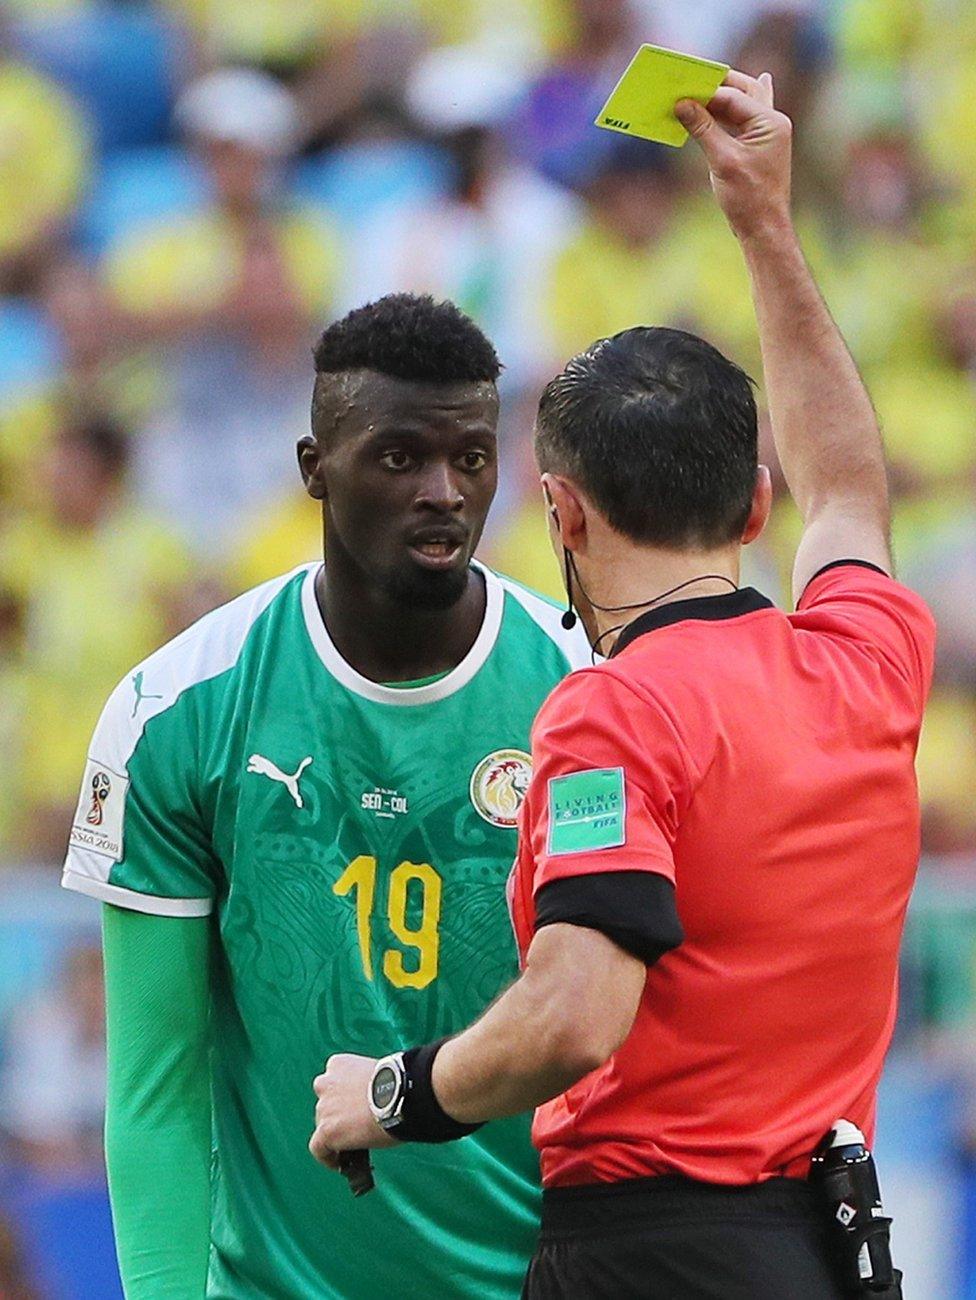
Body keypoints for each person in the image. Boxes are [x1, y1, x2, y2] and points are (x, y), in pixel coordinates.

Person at [310, 73, 936, 1298]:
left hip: (651, 1259)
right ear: (757, 504)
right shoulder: (866, 659)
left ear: (561, 511)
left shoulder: (614, 710)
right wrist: (761, 221)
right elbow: (850, 484)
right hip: (831, 1250)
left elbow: (575, 1015)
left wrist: (393, 1090)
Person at [61, 293, 590, 1298]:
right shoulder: (178, 709)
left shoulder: (586, 692)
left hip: (539, 1278)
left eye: (470, 459)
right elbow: (155, 1084)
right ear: (314, 467)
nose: (442, 491)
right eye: (399, 458)